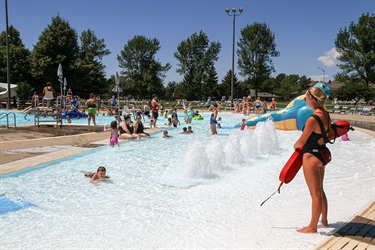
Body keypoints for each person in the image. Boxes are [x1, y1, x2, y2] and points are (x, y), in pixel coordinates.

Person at [293, 83, 332, 234]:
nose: (305, 101)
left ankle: (312, 227)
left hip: (311, 157)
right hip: (321, 156)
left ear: (311, 99)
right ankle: (325, 220)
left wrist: (295, 146)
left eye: (306, 98)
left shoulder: (313, 119)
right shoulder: (325, 114)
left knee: (314, 194)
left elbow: (301, 142)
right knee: (320, 190)